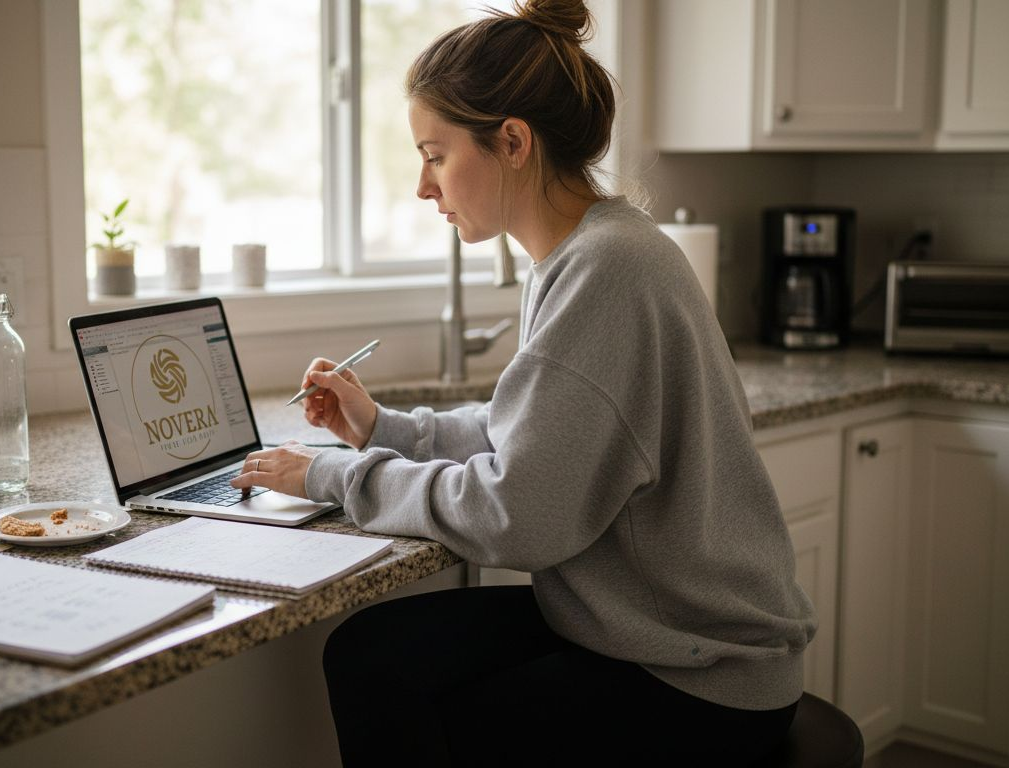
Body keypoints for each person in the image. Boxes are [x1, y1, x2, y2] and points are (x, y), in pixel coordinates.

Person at [230, 0, 815, 764]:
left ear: (511, 142)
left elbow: (518, 516)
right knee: (374, 652)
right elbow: (534, 431)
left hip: (698, 676)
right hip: (653, 627)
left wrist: (336, 476)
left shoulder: (607, 271)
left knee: (412, 695)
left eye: (435, 154)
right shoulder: (591, 251)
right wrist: (384, 429)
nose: (422, 185)